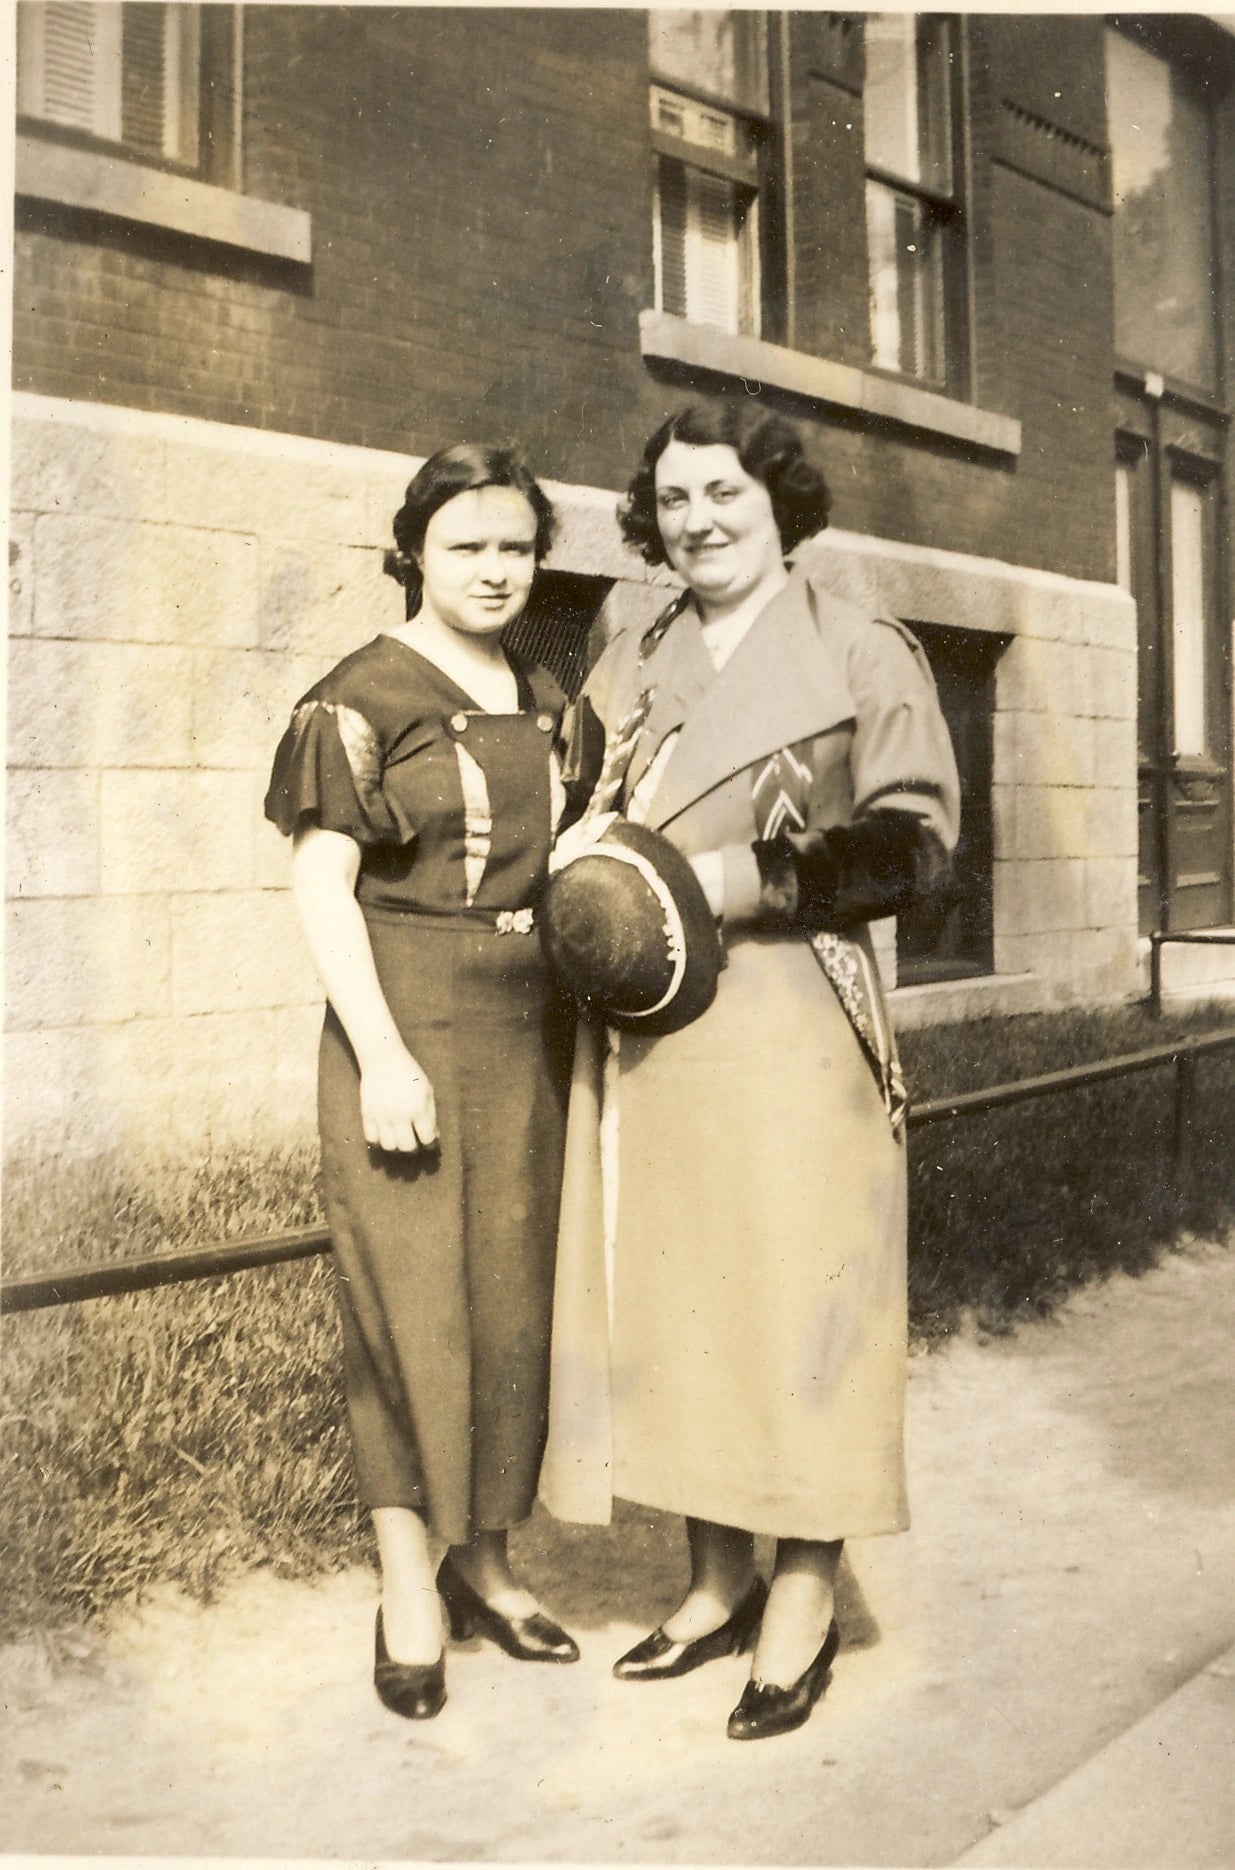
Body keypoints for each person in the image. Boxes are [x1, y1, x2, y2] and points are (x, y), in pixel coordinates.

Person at [540, 399, 960, 1741]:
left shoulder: (856, 642)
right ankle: (713, 1578)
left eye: (722, 493)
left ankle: (802, 1599)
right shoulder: (632, 634)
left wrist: (748, 875)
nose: (697, 521)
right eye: (672, 501)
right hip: (653, 1017)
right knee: (679, 1299)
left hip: (793, 1020)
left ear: (779, 500)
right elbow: (580, 790)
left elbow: (916, 847)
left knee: (800, 1304)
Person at [265, 443, 580, 1721]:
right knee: (407, 1309)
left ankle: (486, 1563)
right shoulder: (359, 695)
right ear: (414, 553)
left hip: (526, 1030)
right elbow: (317, 883)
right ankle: (408, 1580)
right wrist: (382, 1048)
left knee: (511, 1308)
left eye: (515, 547)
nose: (495, 570)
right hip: (401, 1021)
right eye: (467, 547)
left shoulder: (550, 692)